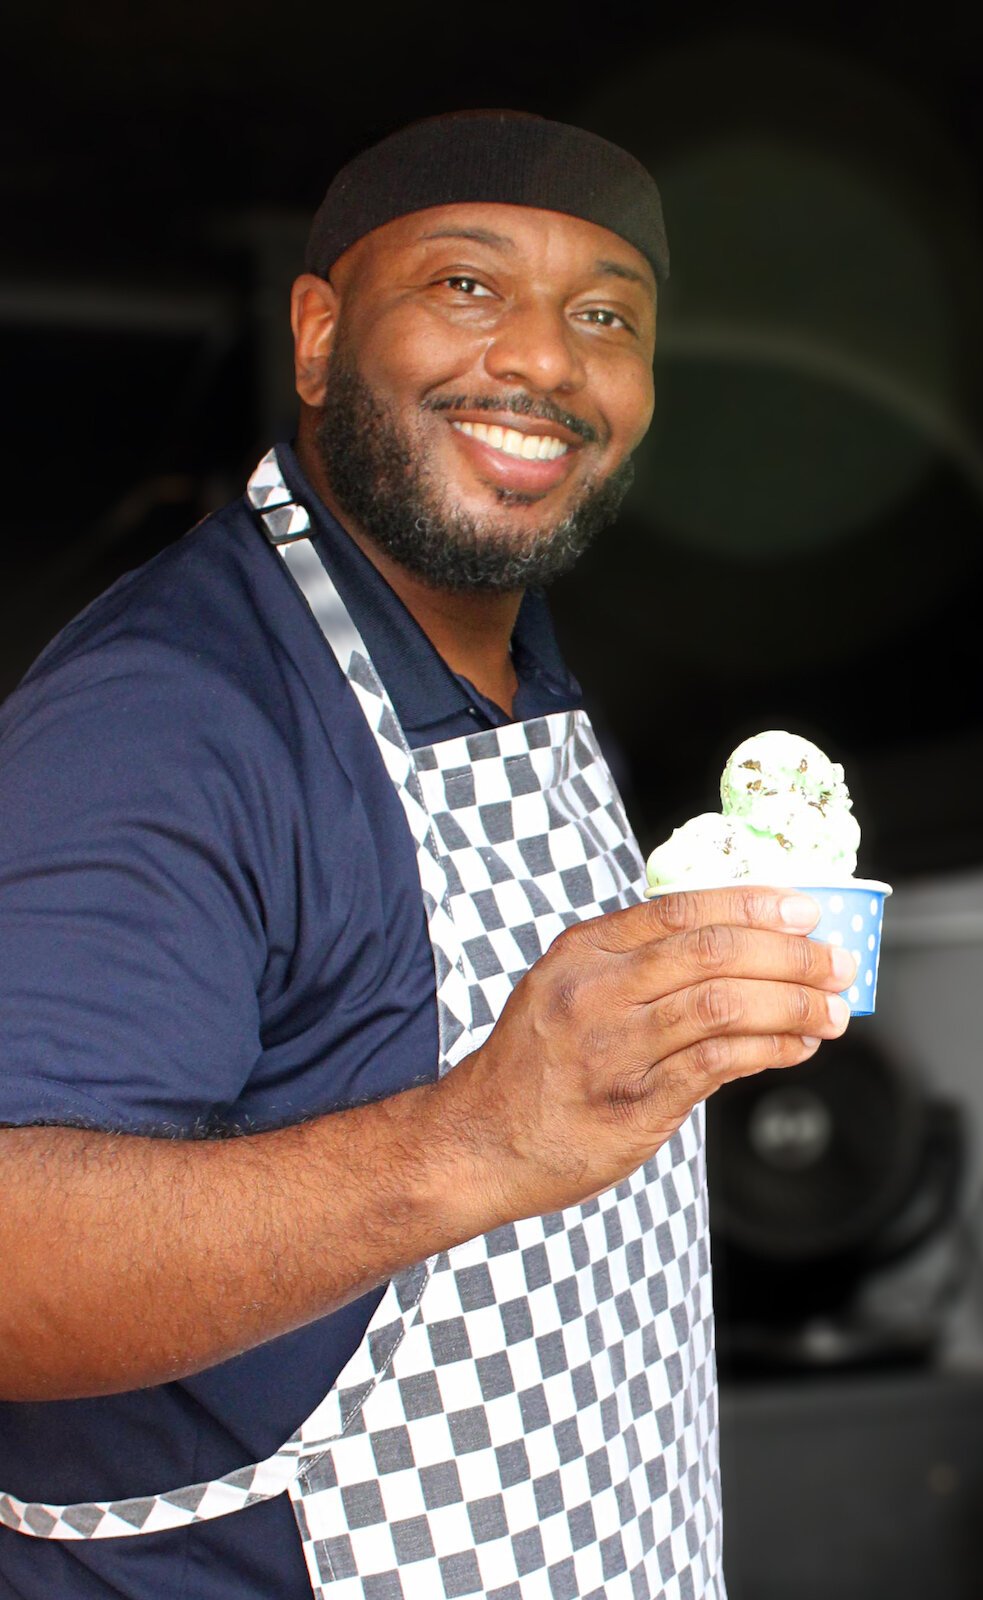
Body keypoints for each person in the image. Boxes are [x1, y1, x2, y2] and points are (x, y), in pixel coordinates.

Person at [0, 110, 855, 1600]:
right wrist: (478, 1139)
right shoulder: (168, 715)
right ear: (321, 335)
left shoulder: (525, 672)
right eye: (468, 286)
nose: (540, 360)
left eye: (606, 315)